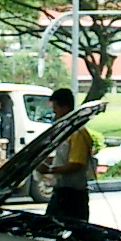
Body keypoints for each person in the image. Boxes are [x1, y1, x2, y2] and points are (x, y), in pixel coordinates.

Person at [42, 88, 93, 223]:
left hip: (73, 196)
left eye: (55, 108)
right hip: (61, 192)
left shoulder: (78, 134)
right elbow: (63, 157)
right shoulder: (65, 132)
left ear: (65, 108)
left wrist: (50, 170)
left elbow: (76, 164)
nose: (54, 112)